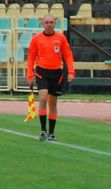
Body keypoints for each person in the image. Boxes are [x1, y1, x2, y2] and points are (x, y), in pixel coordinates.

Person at [26, 14, 75, 142]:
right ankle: (43, 130)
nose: (49, 24)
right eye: (46, 22)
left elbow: (68, 55)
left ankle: (51, 133)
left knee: (53, 103)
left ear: (55, 23)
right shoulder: (36, 39)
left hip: (56, 74)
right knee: (43, 98)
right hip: (42, 72)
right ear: (42, 23)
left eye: (51, 22)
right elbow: (31, 57)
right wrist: (30, 75)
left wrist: (71, 72)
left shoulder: (61, 38)